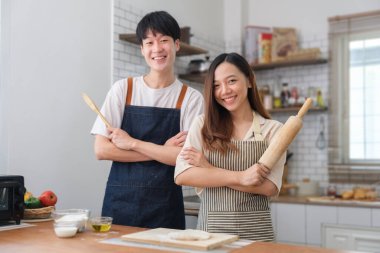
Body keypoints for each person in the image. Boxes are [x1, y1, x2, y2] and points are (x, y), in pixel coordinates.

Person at [91, 11, 204, 229]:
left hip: (165, 209)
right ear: (142, 49)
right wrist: (163, 150)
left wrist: (132, 143)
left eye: (164, 41)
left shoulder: (191, 98)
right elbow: (102, 150)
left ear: (177, 45)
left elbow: (182, 157)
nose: (157, 49)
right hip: (120, 204)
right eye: (149, 42)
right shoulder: (123, 89)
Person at [174, 53, 285, 241]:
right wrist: (241, 177)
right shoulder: (203, 125)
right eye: (216, 85)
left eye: (231, 81)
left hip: (257, 236)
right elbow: (183, 175)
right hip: (211, 236)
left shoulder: (273, 129)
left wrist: (208, 170)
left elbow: (269, 188)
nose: (224, 91)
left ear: (249, 81)